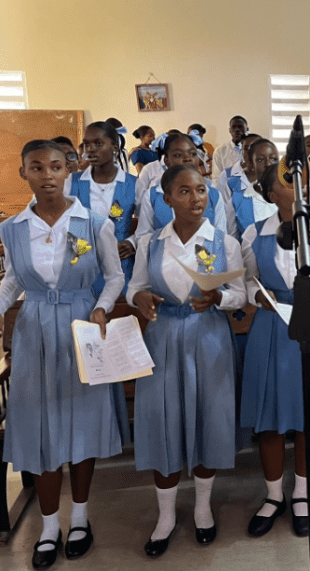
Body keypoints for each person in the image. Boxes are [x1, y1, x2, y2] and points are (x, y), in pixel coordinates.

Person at [0, 140, 126, 569]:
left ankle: (81, 519)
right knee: (41, 428)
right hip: (34, 328)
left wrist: (101, 306)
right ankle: (49, 526)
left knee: (82, 423)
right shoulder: (12, 228)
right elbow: (13, 281)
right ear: (25, 174)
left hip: (79, 323)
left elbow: (114, 277)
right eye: (37, 167)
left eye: (56, 166)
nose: (48, 175)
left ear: (69, 169)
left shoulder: (91, 222)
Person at [128, 164, 246, 557]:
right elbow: (135, 289)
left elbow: (240, 294)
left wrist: (219, 298)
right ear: (166, 200)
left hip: (207, 337)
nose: (196, 198)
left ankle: (201, 508)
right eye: (184, 191)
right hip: (162, 339)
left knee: (206, 418)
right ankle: (165, 516)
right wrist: (139, 300)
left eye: (201, 190)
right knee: (164, 420)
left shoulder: (223, 242)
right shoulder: (151, 243)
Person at [240, 161, 310, 538]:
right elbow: (247, 283)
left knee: (307, 417)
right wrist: (259, 298)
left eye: (301, 177)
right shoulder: (254, 234)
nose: (299, 183)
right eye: (288, 179)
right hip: (272, 329)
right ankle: (272, 496)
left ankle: (301, 493)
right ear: (272, 194)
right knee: (270, 418)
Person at [66, 121, 137, 293]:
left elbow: (147, 225)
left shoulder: (133, 184)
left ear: (114, 147)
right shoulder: (72, 182)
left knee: (119, 314)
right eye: (87, 144)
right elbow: (59, 220)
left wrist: (132, 242)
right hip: (82, 266)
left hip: (120, 263)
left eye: (98, 144)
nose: (90, 149)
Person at [135, 133, 226, 245]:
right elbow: (143, 237)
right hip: (165, 258)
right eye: (178, 155)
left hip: (204, 259)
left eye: (193, 154)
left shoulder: (213, 194)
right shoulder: (152, 196)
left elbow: (221, 237)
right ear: (167, 160)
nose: (187, 159)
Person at [224, 138, 279, 241]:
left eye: (273, 159)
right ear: (251, 165)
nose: (268, 164)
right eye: (260, 160)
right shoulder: (237, 201)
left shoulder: (291, 196)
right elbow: (232, 242)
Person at [212, 116, 248, 181]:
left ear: (247, 129)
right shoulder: (220, 152)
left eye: (240, 127)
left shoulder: (253, 150)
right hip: (228, 190)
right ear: (230, 130)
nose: (237, 130)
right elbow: (216, 179)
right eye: (234, 127)